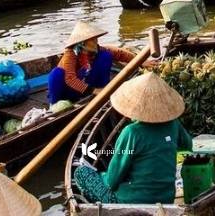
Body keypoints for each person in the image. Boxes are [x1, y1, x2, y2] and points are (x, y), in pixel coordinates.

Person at [73, 72, 191, 205]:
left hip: (130, 201)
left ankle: (103, 208)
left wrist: (103, 176)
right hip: (166, 199)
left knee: (81, 172)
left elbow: (112, 181)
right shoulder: (173, 124)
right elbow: (187, 145)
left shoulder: (132, 132)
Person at [48, 22, 137, 104]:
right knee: (56, 73)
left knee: (105, 55)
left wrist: (139, 60)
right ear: (82, 43)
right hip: (69, 90)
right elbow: (70, 79)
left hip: (87, 86)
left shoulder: (94, 50)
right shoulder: (71, 53)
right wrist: (94, 90)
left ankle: (102, 90)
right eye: (92, 40)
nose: (96, 41)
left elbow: (117, 53)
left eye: (96, 39)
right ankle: (54, 105)